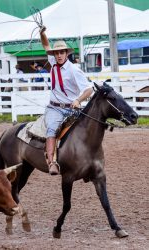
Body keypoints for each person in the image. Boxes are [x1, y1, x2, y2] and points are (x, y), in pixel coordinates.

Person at [40, 26, 93, 175]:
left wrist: (78, 100)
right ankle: (52, 162)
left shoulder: (74, 70)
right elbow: (45, 44)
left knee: (87, 130)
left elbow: (89, 89)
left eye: (61, 52)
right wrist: (42, 33)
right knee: (52, 128)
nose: (58, 55)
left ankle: (89, 160)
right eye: (56, 53)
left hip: (72, 108)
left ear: (66, 54)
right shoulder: (53, 62)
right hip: (54, 108)